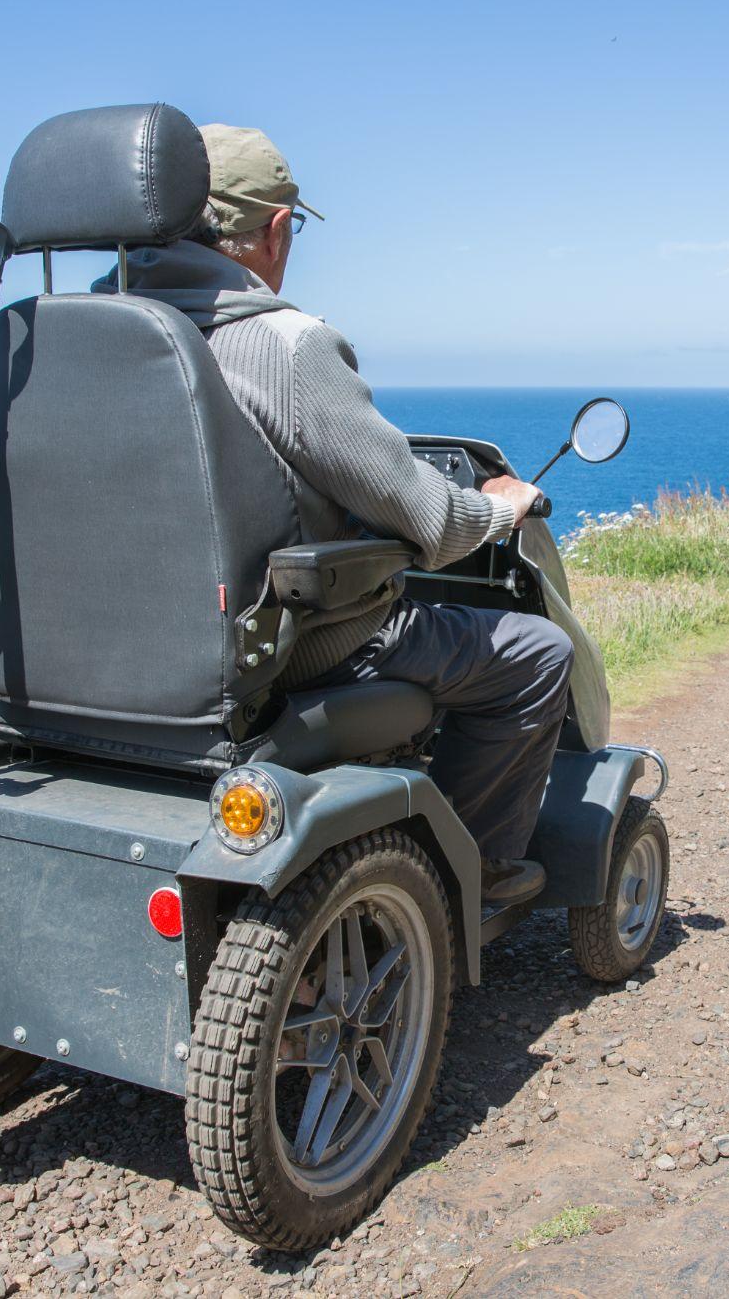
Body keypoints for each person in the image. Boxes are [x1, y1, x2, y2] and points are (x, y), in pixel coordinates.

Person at [96, 124, 566, 905]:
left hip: (100, 651)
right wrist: (494, 509)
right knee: (537, 652)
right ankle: (467, 879)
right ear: (277, 229)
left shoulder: (64, 336)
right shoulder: (286, 348)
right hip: (286, 656)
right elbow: (431, 523)